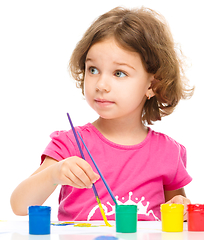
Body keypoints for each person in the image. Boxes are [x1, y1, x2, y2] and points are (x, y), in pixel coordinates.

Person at [11, 7, 194, 221]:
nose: (101, 84)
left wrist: (181, 207)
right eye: (93, 69)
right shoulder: (70, 144)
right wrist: (54, 174)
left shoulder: (168, 153)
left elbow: (180, 212)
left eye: (119, 73)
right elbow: (20, 205)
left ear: (153, 85)